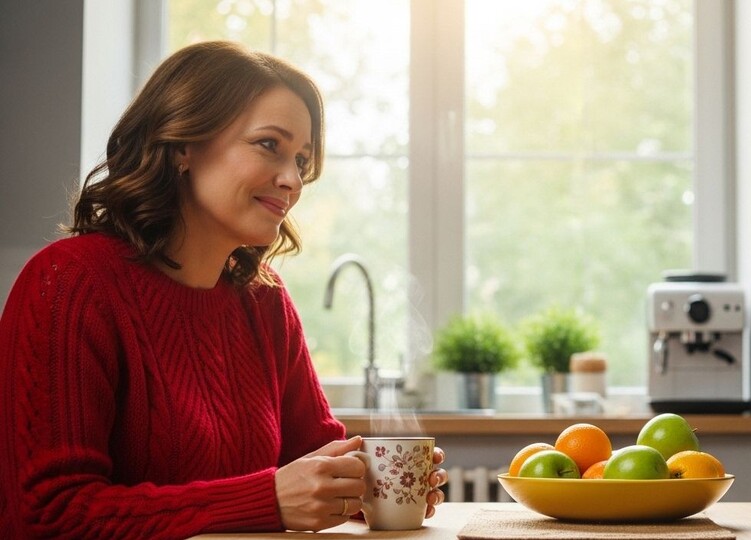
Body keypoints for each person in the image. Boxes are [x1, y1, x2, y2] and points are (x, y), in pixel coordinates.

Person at [0, 41, 447, 539]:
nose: (291, 180)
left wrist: (370, 491)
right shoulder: (68, 284)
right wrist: (266, 501)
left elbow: (316, 457)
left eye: (301, 159)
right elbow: (47, 515)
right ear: (182, 145)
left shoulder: (264, 300)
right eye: (269, 145)